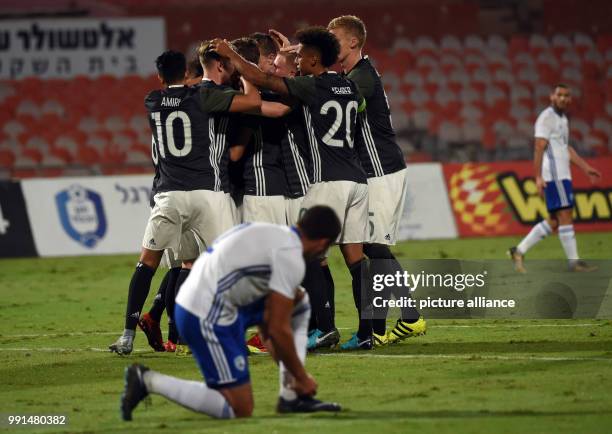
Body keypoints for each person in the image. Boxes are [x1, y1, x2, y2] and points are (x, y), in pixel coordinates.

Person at [210, 26, 373, 350]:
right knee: (357, 260)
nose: (296, 61)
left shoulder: (310, 87)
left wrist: (232, 56)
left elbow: (265, 81)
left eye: (301, 56)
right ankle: (368, 332)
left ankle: (324, 328)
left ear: (313, 60)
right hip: (357, 180)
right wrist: (289, 56)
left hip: (327, 181)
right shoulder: (349, 87)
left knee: (305, 255)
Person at [120, 206, 343, 420]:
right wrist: (302, 376)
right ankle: (147, 381)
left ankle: (292, 396)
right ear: (323, 243)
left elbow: (270, 322)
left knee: (299, 301)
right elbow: (277, 328)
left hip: (215, 301)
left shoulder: (275, 233)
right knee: (239, 407)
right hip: (203, 314)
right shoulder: (290, 256)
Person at [108, 48, 261, 355]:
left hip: (170, 194)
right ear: (188, 75)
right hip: (208, 192)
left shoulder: (152, 100)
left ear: (161, 77)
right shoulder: (202, 97)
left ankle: (127, 336)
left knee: (149, 264)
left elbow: (174, 97)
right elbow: (252, 102)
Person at [328, 16, 425, 347]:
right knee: (371, 246)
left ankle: (401, 321)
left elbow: (343, 103)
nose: (331, 45)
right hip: (372, 170)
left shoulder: (363, 78)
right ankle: (399, 322)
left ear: (353, 42)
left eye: (334, 39)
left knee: (373, 246)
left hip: (382, 169)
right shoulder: (355, 75)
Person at [509, 83, 602, 273]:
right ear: (552, 97)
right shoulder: (546, 118)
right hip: (555, 174)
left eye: (567, 95)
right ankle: (574, 262)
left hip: (563, 174)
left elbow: (566, 148)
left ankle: (518, 251)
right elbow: (538, 147)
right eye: (560, 95)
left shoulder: (562, 119)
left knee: (554, 220)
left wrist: (586, 168)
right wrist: (538, 177)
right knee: (566, 214)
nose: (563, 98)